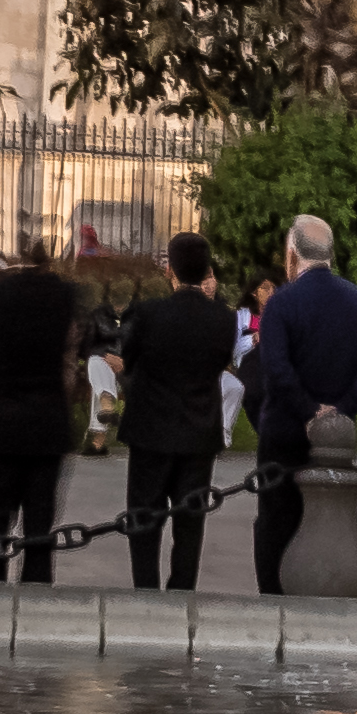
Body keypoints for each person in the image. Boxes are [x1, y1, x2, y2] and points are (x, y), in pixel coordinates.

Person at [248, 212, 357, 597]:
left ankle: (274, 600)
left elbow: (276, 368)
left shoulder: (282, 304)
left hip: (284, 430)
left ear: (292, 255)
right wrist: (340, 410)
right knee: (334, 520)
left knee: (276, 521)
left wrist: (308, 412)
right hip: (339, 439)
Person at [110, 229, 232, 593]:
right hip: (199, 431)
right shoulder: (223, 319)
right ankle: (182, 590)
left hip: (150, 430)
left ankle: (145, 589)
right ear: (207, 269)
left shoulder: (149, 313)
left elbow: (127, 361)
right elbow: (220, 363)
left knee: (144, 519)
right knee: (190, 523)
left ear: (170, 270)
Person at [0, 234, 80, 587]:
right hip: (47, 420)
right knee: (39, 525)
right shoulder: (65, 294)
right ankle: (36, 598)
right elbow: (73, 343)